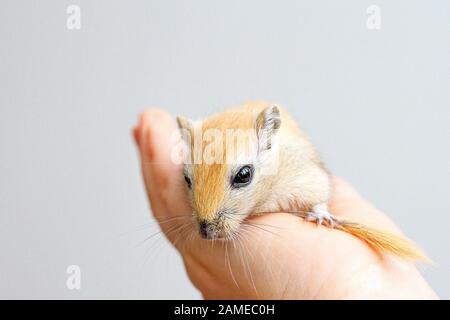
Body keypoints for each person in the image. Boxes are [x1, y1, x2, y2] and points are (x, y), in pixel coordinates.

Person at [132, 108, 437, 299]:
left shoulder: (288, 166)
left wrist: (341, 285)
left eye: (242, 177)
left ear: (268, 142)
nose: (208, 222)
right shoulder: (200, 145)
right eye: (189, 182)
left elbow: (317, 186)